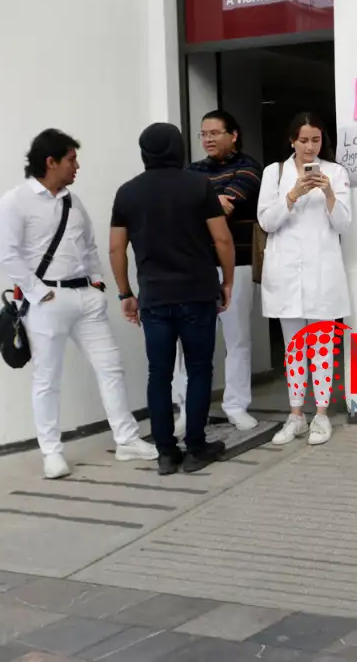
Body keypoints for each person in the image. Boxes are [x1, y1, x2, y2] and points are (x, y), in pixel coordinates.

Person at [0, 129, 159, 479]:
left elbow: (88, 247)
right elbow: (7, 257)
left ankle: (126, 440)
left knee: (111, 367)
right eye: (71, 159)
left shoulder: (72, 200)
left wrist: (97, 284)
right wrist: (40, 294)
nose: (77, 166)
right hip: (46, 301)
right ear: (50, 162)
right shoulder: (15, 201)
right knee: (47, 378)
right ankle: (51, 453)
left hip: (85, 298)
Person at [109, 123, 234, 475]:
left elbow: (117, 247)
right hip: (197, 294)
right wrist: (227, 282)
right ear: (178, 149)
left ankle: (165, 452)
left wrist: (125, 293)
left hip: (155, 299)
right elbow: (222, 240)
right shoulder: (198, 186)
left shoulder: (127, 193)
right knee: (198, 370)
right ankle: (196, 447)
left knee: (158, 374)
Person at [257, 112, 352, 447]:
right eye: (304, 140)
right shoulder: (275, 172)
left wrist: (328, 195)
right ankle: (296, 414)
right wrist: (294, 194)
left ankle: (321, 415)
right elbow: (267, 221)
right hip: (285, 274)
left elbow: (343, 224)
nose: (310, 147)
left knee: (323, 347)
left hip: (323, 272)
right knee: (294, 348)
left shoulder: (336, 172)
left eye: (316, 140)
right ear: (291, 141)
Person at [169, 110, 263, 436]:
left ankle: (236, 406)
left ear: (233, 135)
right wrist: (205, 201)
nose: (207, 139)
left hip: (237, 265)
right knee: (187, 342)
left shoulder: (248, 168)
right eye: (203, 134)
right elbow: (190, 206)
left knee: (237, 339)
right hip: (197, 267)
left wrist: (198, 202)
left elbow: (225, 206)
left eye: (214, 133)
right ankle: (186, 409)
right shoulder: (192, 170)